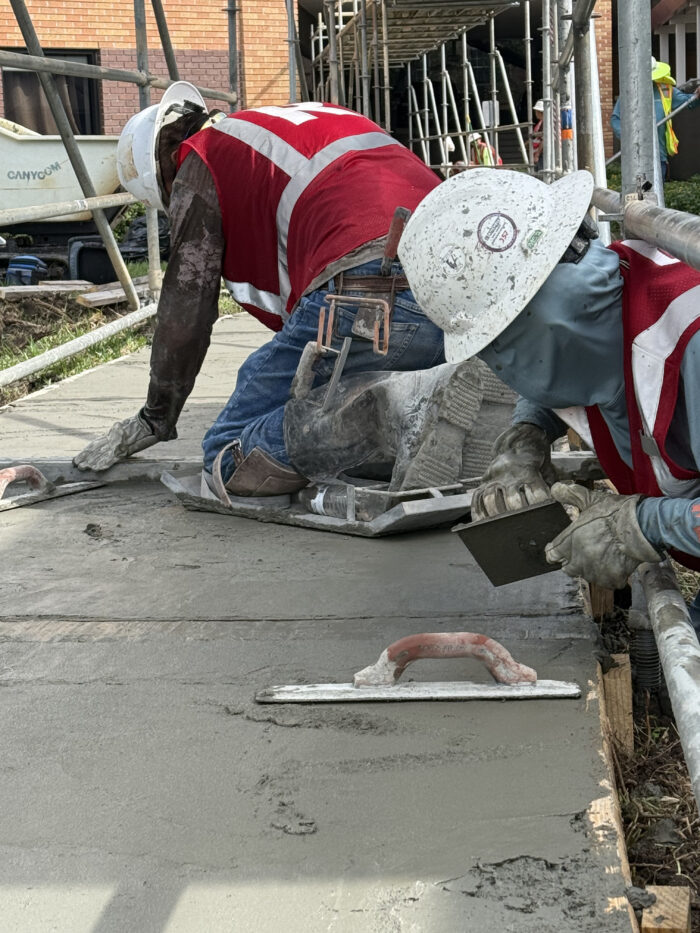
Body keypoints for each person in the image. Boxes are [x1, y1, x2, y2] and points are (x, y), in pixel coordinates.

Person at [74, 83, 487, 498]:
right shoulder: (313, 119)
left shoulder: (199, 159)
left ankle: (398, 406)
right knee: (317, 402)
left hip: (375, 291)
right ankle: (434, 407)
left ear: (162, 169)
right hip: (470, 282)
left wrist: (155, 416)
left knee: (229, 455)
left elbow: (186, 311)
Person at [397, 167, 700, 627]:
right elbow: (563, 374)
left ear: (546, 322)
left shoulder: (689, 345)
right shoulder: (609, 311)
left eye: (498, 347)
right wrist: (528, 434)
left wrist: (642, 525)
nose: (500, 368)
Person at [611, 58, 700, 179]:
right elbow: (616, 119)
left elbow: (688, 102)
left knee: (654, 192)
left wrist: (697, 96)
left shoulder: (665, 91)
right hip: (636, 156)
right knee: (640, 192)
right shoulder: (629, 92)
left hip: (659, 156)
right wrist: (628, 138)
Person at [531, 99, 543, 171]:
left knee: (541, 174)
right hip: (538, 154)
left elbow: (544, 139)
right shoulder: (540, 123)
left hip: (541, 155)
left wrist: (537, 155)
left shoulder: (544, 123)